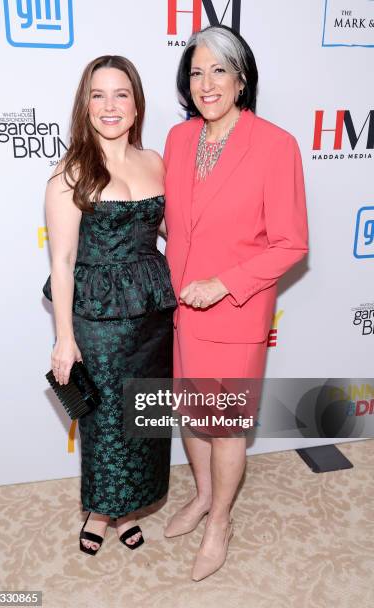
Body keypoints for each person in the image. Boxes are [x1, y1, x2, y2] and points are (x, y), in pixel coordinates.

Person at [163, 25, 309, 580]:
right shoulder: (179, 141)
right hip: (181, 313)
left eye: (219, 70)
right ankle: (202, 497)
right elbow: (175, 221)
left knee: (224, 427)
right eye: (197, 72)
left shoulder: (276, 145)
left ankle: (220, 520)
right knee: (192, 418)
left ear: (242, 77)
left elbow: (291, 242)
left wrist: (224, 283)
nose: (206, 83)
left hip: (235, 313)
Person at [42, 55, 177, 555]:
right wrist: (64, 338)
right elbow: (63, 259)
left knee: (145, 414)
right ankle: (100, 511)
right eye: (97, 95)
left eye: (121, 94)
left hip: (153, 313)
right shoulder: (70, 171)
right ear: (85, 105)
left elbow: (175, 233)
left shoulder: (156, 161)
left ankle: (129, 510)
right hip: (97, 318)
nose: (110, 105)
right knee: (103, 423)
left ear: (137, 104)